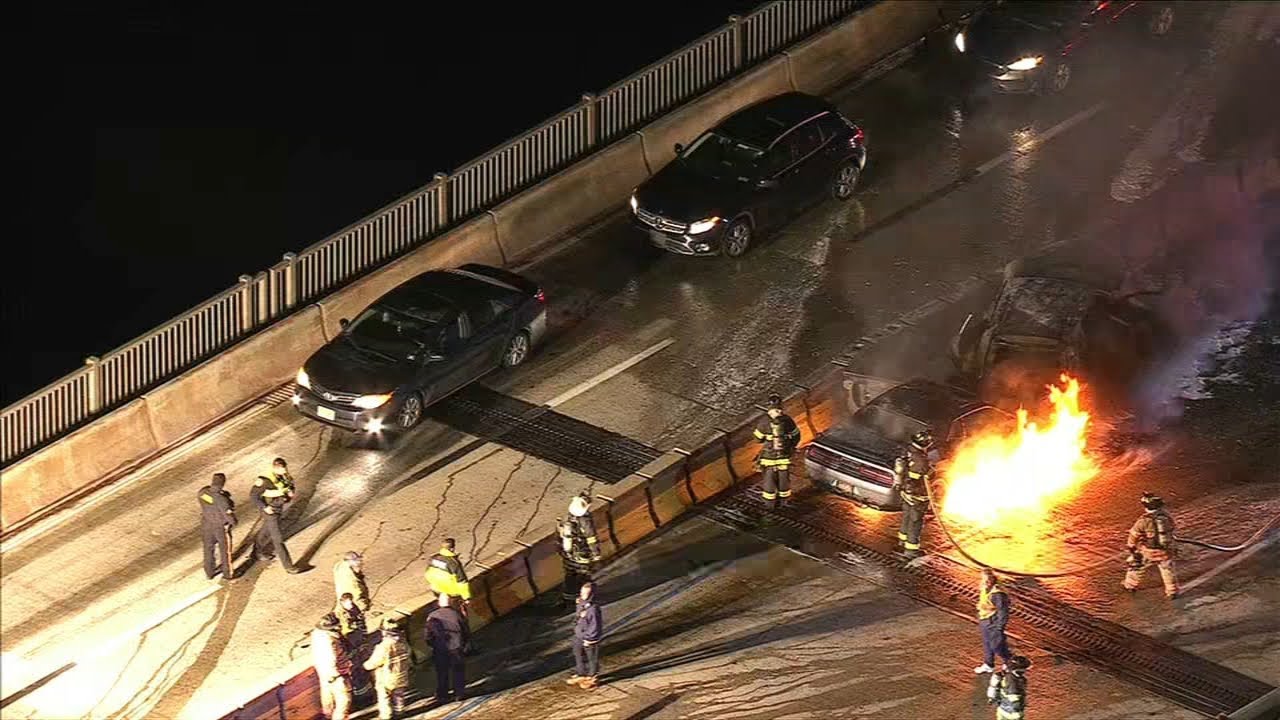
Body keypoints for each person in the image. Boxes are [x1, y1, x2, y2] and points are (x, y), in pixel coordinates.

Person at [1123, 492, 1180, 599]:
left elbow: (1134, 534)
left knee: (1137, 567)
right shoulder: (1166, 516)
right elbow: (1172, 527)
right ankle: (1172, 591)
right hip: (1166, 551)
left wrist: (1131, 546)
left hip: (1149, 551)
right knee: (1167, 570)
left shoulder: (1143, 520)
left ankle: (1130, 585)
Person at [250, 457, 303, 573]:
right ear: (275, 468)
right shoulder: (265, 480)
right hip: (270, 510)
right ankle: (288, 566)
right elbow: (253, 496)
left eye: (285, 469)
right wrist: (265, 507)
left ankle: (256, 552)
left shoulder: (283, 476)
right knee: (277, 538)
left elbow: (289, 485)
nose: (284, 472)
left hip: (278, 508)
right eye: (282, 470)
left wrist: (290, 492)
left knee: (265, 530)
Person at [892, 430, 937, 559]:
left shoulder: (908, 451)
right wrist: (931, 471)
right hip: (917, 495)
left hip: (906, 492)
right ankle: (911, 551)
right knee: (915, 521)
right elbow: (923, 476)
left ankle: (901, 543)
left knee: (906, 517)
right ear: (925, 444)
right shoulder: (921, 459)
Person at [754, 393, 801, 507]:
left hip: (768, 458)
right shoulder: (788, 420)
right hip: (784, 457)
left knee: (769, 481)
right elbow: (796, 436)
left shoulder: (764, 422)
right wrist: (790, 447)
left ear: (769, 410)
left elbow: (757, 439)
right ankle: (784, 502)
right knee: (784, 480)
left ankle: (769, 504)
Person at [364, 616, 413, 720]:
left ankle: (386, 715)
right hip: (402, 675)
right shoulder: (403, 643)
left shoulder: (384, 647)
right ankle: (400, 712)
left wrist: (365, 665)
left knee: (384, 697)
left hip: (386, 678)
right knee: (399, 695)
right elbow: (408, 658)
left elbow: (373, 663)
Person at [425, 593, 469, 705]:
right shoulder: (456, 614)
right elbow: (465, 630)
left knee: (442, 672)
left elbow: (428, 636)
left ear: (439, 603)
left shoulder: (432, 616)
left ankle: (443, 694)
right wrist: (463, 643)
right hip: (456, 647)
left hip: (440, 649)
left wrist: (434, 645)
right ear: (450, 603)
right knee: (458, 671)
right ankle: (459, 693)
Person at [558, 492, 602, 605]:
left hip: (569, 554)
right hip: (582, 554)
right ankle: (585, 598)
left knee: (570, 574)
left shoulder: (567, 517)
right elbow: (591, 538)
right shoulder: (585, 520)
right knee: (584, 576)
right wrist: (596, 554)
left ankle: (568, 597)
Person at [311, 613, 354, 720]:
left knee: (328, 697)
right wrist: (337, 675)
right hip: (336, 675)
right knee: (344, 700)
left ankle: (328, 715)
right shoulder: (331, 642)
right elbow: (331, 659)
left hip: (323, 671)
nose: (339, 627)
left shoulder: (317, 634)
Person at [197, 472, 237, 581]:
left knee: (208, 548)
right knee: (225, 551)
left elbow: (208, 500)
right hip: (220, 527)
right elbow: (228, 514)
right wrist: (233, 522)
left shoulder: (203, 493)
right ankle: (227, 573)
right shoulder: (222, 498)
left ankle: (209, 572)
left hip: (207, 525)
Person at [974, 568, 1014, 674]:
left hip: (993, 622)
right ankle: (988, 664)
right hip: (985, 619)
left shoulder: (998, 594)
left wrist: (999, 627)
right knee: (987, 643)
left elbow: (1003, 612)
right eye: (983, 579)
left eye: (987, 580)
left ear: (993, 579)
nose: (985, 582)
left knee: (997, 645)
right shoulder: (985, 588)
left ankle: (1010, 661)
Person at [566, 581, 604, 689]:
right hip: (579, 634)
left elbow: (595, 625)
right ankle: (581, 673)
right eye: (581, 593)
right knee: (578, 654)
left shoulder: (593, 609)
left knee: (591, 657)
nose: (582, 595)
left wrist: (590, 639)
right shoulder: (581, 602)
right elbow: (579, 616)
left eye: (585, 594)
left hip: (589, 638)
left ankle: (592, 677)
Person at [425, 538, 472, 615]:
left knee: (444, 608)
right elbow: (462, 582)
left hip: (437, 588)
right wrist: (466, 598)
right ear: (452, 548)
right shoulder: (454, 563)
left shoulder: (433, 558)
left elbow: (428, 572)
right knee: (457, 612)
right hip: (452, 592)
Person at [987, 655, 1031, 719]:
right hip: (1012, 714)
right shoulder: (1016, 682)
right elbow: (1015, 700)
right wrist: (1018, 714)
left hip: (1001, 709)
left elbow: (993, 693)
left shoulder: (1002, 675)